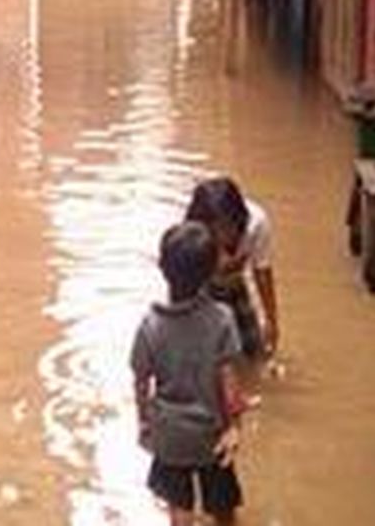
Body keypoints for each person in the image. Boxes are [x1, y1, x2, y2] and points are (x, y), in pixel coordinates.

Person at [132, 221, 246, 526]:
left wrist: (143, 422)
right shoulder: (222, 319)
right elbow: (229, 379)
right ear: (211, 272)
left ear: (161, 267)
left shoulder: (149, 326)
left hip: (170, 436)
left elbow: (141, 381)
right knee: (223, 508)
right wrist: (234, 425)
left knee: (179, 507)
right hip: (212, 434)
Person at [186, 177, 280, 358]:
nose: (220, 236)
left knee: (254, 351)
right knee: (201, 354)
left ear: (238, 219)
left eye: (224, 227)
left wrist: (272, 321)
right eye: (212, 230)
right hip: (201, 287)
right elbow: (184, 275)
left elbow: (262, 273)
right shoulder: (193, 228)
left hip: (234, 285)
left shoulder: (257, 224)